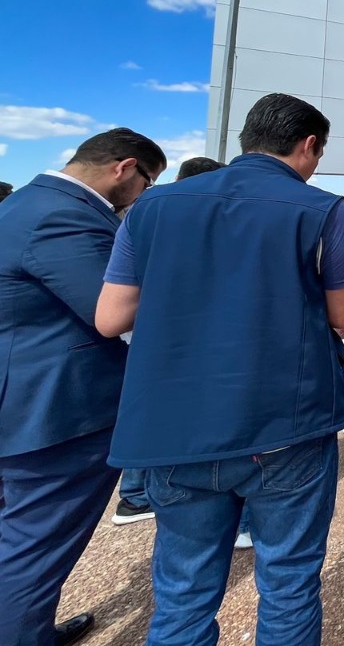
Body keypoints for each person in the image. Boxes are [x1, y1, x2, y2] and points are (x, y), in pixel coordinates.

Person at [95, 94, 344, 645]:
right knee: (287, 583)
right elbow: (343, 313)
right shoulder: (321, 208)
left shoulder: (150, 208)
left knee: (183, 592)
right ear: (308, 145)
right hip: (285, 417)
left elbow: (110, 317)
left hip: (175, 422)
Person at [1, 128, 166, 646]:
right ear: (124, 167)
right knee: (35, 544)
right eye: (147, 182)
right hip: (55, 409)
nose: (142, 195)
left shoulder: (26, 202)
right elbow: (112, 312)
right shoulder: (63, 215)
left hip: (28, 390)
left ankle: (28, 625)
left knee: (23, 537)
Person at [113, 155, 229, 530]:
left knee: (153, 410)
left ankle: (135, 494)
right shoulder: (214, 220)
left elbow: (111, 314)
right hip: (199, 337)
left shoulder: (146, 215)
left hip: (152, 339)